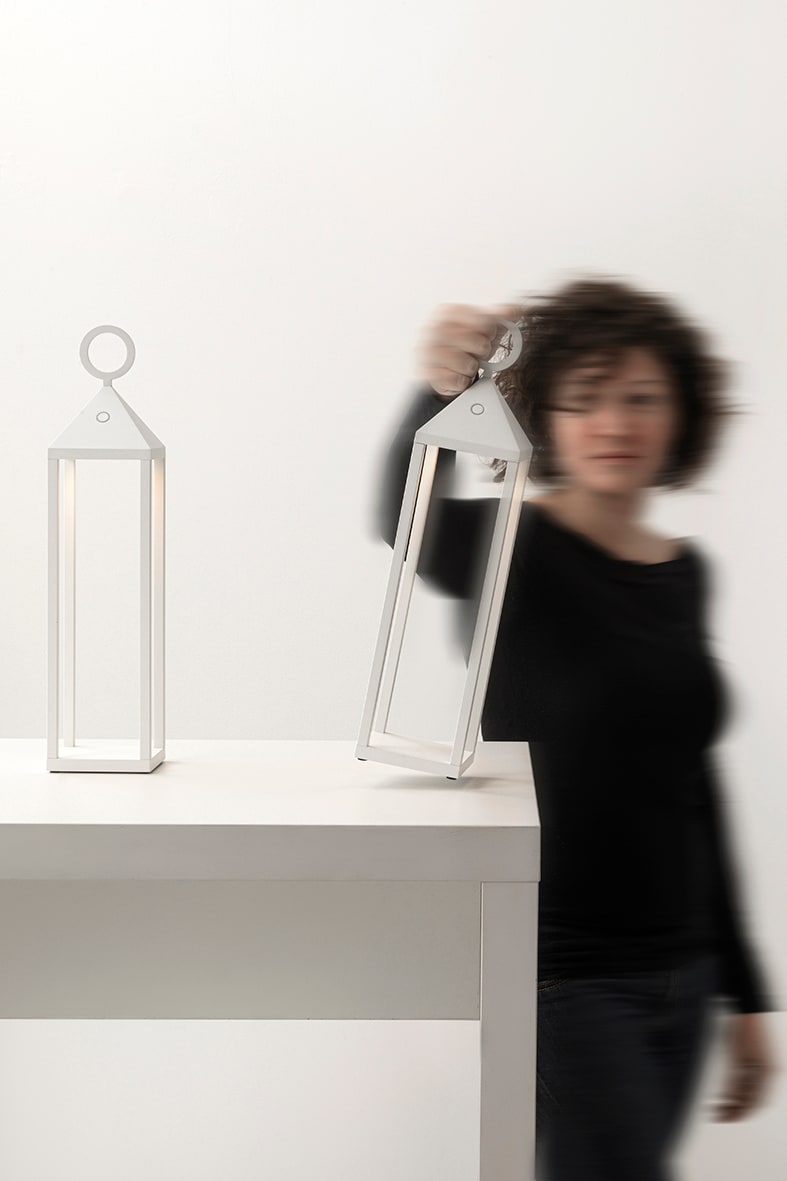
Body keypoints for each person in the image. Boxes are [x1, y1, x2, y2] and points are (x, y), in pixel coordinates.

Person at [374, 277, 780, 1180]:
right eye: (585, 396)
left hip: (680, 975)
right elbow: (400, 516)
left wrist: (743, 990)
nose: (614, 421)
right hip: (564, 974)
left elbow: (692, 787)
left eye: (640, 396)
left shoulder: (682, 573)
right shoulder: (511, 549)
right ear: (545, 415)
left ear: (679, 413)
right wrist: (436, 389)